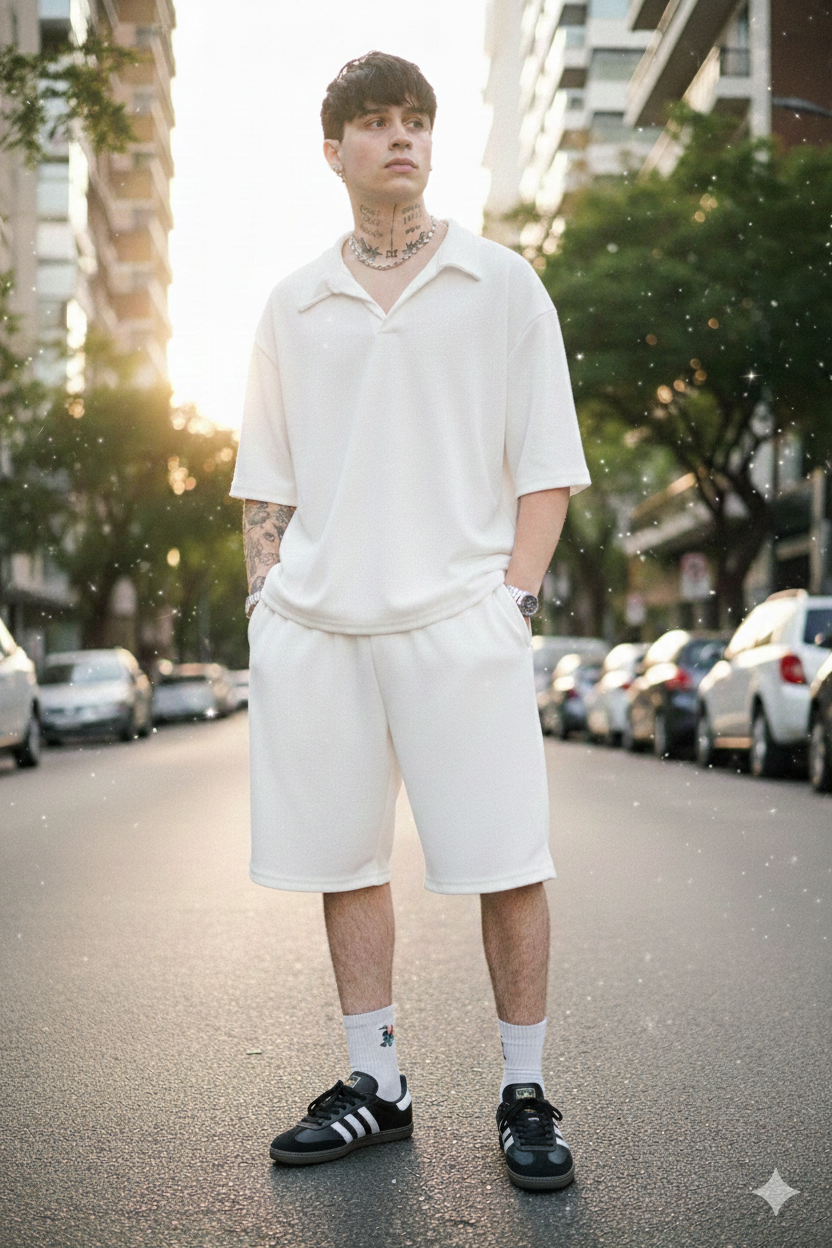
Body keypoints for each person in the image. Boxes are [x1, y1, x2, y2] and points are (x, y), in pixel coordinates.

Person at [230, 51, 590, 1192]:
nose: (402, 138)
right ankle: (376, 1084)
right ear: (332, 150)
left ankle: (524, 1091)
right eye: (378, 122)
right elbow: (265, 481)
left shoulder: (501, 283)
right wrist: (267, 606)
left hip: (460, 621)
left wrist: (512, 602)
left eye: (417, 121)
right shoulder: (293, 302)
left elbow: (547, 465)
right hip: (321, 629)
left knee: (505, 861)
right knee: (345, 860)